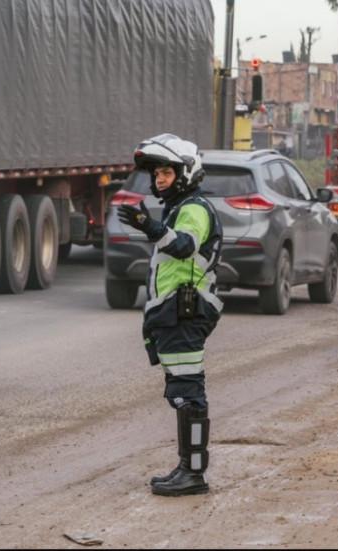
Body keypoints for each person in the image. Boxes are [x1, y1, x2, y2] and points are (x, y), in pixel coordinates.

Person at [117, 134, 223, 497]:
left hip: (187, 311)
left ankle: (193, 473)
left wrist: (150, 227)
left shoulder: (193, 209)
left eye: (166, 172)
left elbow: (184, 246)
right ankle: (187, 467)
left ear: (186, 173)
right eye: (157, 173)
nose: (159, 179)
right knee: (183, 390)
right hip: (177, 311)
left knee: (189, 393)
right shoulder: (180, 207)